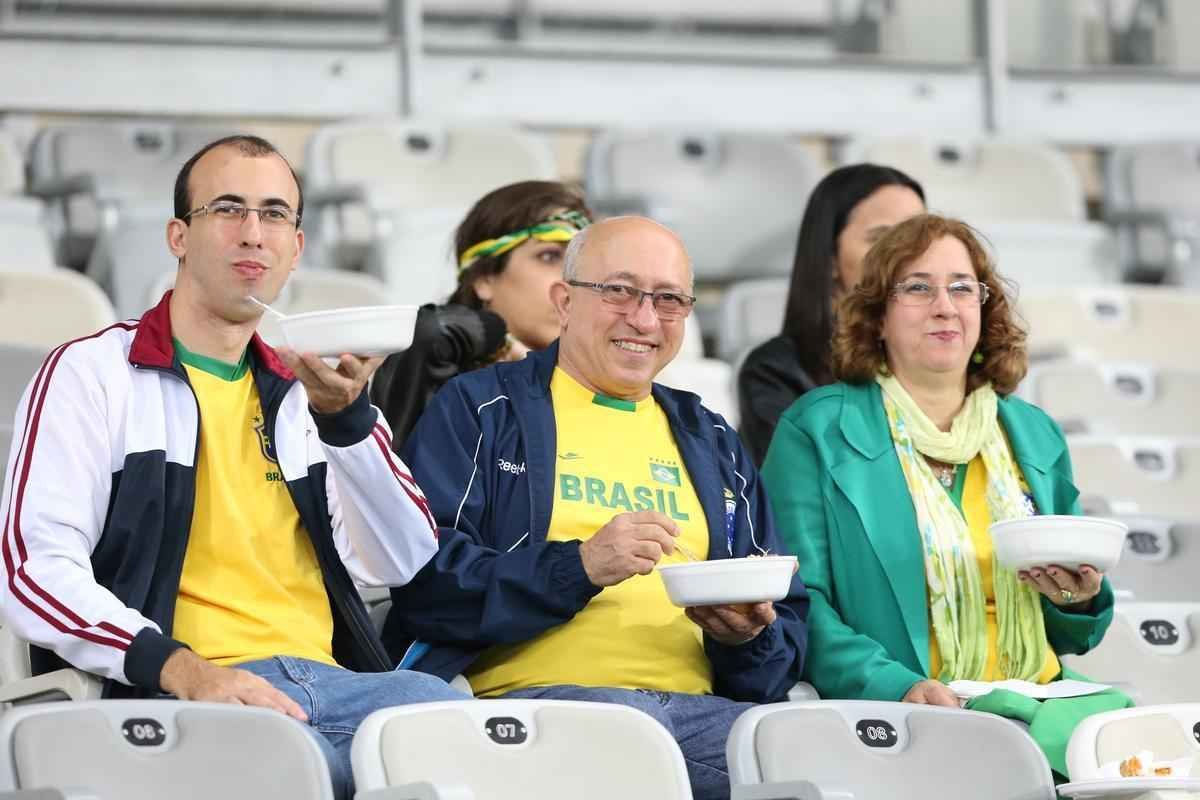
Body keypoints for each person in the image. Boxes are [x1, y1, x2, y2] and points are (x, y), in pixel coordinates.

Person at [0, 135, 466, 799]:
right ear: (178, 237)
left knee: (465, 747)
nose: (254, 233)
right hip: (176, 695)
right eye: (227, 209)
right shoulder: (94, 372)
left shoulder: (320, 392)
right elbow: (33, 568)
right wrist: (180, 668)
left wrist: (349, 425)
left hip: (333, 685)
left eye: (275, 214)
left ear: (296, 247)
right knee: (311, 773)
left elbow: (399, 560)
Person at [383, 216, 809, 800]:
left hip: (704, 717)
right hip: (545, 712)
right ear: (564, 301)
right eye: (619, 291)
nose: (643, 318)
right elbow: (424, 582)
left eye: (668, 300)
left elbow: (782, 643)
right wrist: (579, 567)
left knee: (835, 766)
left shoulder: (711, 437)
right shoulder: (483, 408)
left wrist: (745, 637)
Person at [761, 213, 1126, 778]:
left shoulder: (1033, 433)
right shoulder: (818, 428)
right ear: (877, 316)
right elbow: (795, 598)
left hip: (1037, 703)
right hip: (902, 719)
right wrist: (894, 684)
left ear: (985, 309)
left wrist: (1074, 599)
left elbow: (1075, 629)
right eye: (917, 287)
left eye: (962, 287)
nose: (944, 305)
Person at [370, 181, 593, 445]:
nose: (568, 283)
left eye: (579, 264)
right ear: (484, 277)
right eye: (549, 256)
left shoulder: (605, 382)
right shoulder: (436, 364)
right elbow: (433, 329)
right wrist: (497, 339)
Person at [738, 164, 925, 465]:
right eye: (881, 240)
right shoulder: (777, 372)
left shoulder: (951, 358)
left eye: (920, 241)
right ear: (831, 259)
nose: (908, 257)